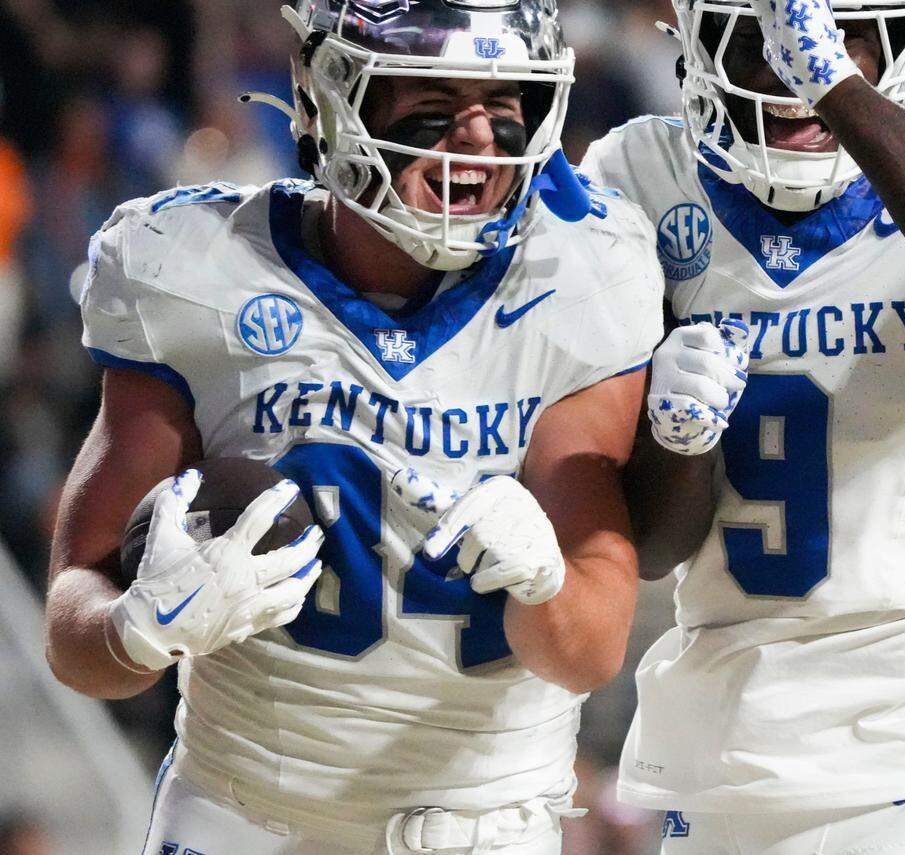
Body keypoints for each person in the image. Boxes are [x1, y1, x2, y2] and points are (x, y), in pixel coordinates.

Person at [44, 2, 664, 853]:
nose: (479, 138)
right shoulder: (195, 270)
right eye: (435, 106)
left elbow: (591, 648)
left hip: (479, 824)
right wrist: (137, 626)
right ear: (333, 103)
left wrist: (543, 583)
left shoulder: (581, 276)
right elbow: (71, 620)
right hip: (239, 812)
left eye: (504, 104)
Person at [582, 0, 905, 851]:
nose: (791, 70)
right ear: (697, 45)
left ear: (900, 43)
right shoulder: (639, 174)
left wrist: (836, 86)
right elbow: (649, 546)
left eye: (841, 34)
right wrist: (677, 441)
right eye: (760, 40)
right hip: (714, 747)